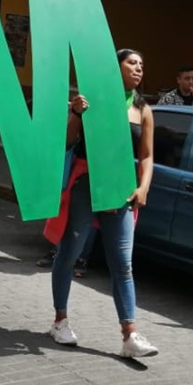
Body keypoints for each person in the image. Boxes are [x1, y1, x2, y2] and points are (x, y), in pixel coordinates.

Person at [48, 48, 159, 359]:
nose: (138, 69)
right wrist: (75, 113)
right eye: (131, 63)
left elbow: (148, 155)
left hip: (121, 192)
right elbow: (68, 141)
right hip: (85, 185)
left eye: (141, 64)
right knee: (70, 253)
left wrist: (143, 186)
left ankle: (130, 334)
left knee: (123, 264)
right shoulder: (92, 100)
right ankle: (60, 320)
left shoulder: (143, 109)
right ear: (116, 67)